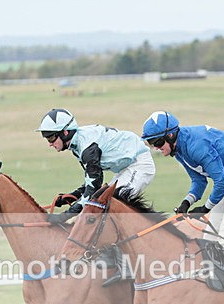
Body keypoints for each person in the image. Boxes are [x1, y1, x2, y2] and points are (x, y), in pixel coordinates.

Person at [141, 110, 224, 304]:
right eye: (151, 144)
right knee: (209, 234)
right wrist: (186, 202)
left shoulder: (196, 145)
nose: (156, 148)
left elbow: (220, 182)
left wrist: (206, 207)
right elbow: (198, 180)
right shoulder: (178, 150)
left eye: (157, 142)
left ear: (170, 135)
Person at [37, 108, 156, 285]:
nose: (49, 143)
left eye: (51, 138)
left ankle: (127, 265)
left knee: (109, 207)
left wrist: (66, 215)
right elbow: (91, 182)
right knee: (101, 204)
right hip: (126, 168)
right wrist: (73, 196)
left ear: (66, 132)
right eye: (47, 138)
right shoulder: (77, 145)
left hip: (139, 165)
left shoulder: (87, 148)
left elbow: (93, 188)